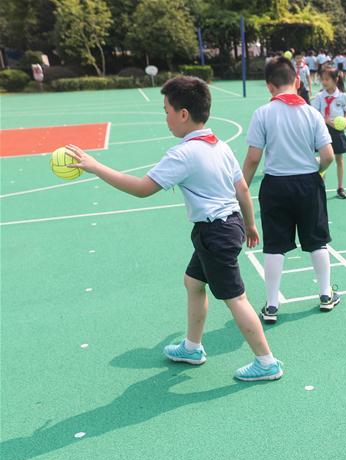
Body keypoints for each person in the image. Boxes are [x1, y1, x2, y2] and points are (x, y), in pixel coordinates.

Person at [63, 77, 283, 381]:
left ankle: (266, 362)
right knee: (193, 282)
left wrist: (95, 166)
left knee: (236, 299)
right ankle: (192, 347)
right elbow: (242, 189)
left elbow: (142, 189)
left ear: (183, 114)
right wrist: (249, 224)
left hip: (215, 233)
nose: (165, 117)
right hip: (225, 226)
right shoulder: (219, 145)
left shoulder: (183, 154)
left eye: (166, 111)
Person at [241, 56, 339, 323]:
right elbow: (328, 155)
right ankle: (325, 295)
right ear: (297, 80)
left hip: (275, 184)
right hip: (308, 182)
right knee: (316, 240)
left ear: (269, 86)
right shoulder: (311, 113)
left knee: (275, 245)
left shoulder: (263, 113)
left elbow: (253, 158)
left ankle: (272, 305)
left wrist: (241, 188)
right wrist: (318, 169)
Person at [313, 67, 346, 200]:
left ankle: (340, 187)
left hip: (338, 131)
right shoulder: (319, 96)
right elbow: (315, 113)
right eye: (322, 79)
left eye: (327, 79)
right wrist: (326, 121)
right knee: (322, 158)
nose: (324, 82)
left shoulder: (342, 96)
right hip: (322, 130)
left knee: (339, 159)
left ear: (336, 79)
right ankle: (320, 185)